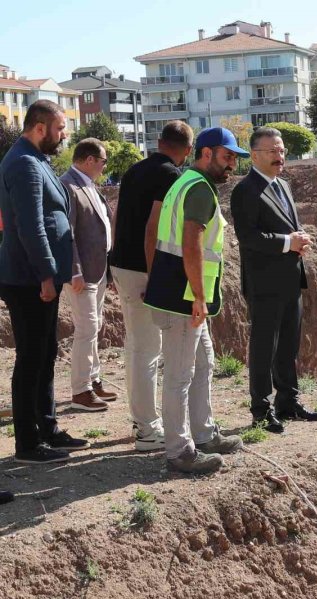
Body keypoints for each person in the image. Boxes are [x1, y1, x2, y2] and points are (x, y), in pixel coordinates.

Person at [143, 127, 245, 474]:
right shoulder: (199, 189)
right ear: (206, 153)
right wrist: (199, 296)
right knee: (179, 375)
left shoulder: (185, 181)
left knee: (203, 363)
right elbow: (191, 244)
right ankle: (179, 451)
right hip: (183, 298)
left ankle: (203, 433)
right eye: (227, 156)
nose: (232, 164)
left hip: (176, 292)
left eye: (234, 158)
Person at [0, 100, 90, 464]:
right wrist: (46, 273)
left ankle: (47, 428)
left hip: (37, 276)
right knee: (31, 358)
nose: (64, 134)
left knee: (45, 354)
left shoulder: (36, 159)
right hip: (28, 278)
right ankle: (27, 443)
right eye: (59, 128)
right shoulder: (23, 162)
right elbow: (30, 225)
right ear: (40, 128)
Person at [230, 127, 317, 433]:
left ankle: (288, 402)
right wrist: (288, 242)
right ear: (255, 155)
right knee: (263, 348)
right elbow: (248, 237)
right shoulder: (245, 190)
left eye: (282, 151)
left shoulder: (283, 185)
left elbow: (287, 228)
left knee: (288, 347)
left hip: (290, 279)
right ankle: (261, 410)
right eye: (273, 151)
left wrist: (299, 242)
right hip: (264, 283)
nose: (280, 156)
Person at [110, 121, 193, 451]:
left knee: (136, 347)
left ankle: (142, 421)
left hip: (121, 264)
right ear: (187, 151)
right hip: (142, 269)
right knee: (147, 350)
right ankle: (147, 430)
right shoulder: (171, 175)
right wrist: (154, 277)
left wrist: (114, 259)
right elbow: (152, 230)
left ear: (160, 142)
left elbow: (119, 216)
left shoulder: (133, 170)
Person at [61, 138, 117, 412]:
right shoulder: (69, 186)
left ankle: (93, 381)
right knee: (86, 328)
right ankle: (80, 391)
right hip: (82, 273)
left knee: (95, 326)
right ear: (89, 160)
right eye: (103, 161)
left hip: (98, 269)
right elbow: (66, 234)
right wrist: (75, 271)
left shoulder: (87, 184)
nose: (105, 167)